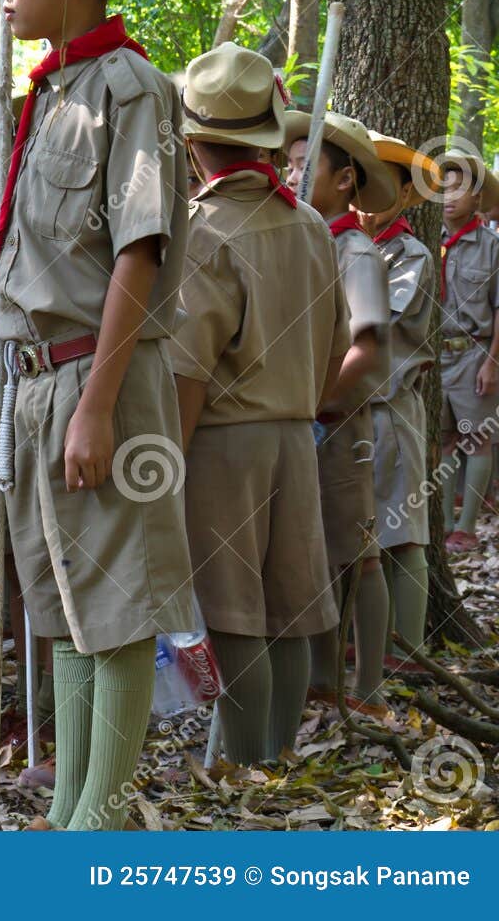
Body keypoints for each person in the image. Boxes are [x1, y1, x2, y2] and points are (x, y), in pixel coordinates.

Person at [0, 0, 196, 830]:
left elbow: (139, 248)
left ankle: (102, 813)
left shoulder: (130, 89)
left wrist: (97, 401)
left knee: (116, 599)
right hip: (30, 385)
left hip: (96, 375)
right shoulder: (41, 97)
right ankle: (69, 807)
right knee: (58, 600)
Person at [169, 44, 346, 764]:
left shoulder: (204, 231)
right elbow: (335, 350)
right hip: (295, 436)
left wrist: (167, 465)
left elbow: (187, 367)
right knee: (291, 606)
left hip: (221, 444)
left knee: (234, 610)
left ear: (193, 142)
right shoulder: (308, 225)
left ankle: (241, 771)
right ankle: (273, 759)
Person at [283, 110, 397, 721]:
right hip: (304, 419)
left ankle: (371, 689)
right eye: (289, 164)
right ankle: (324, 680)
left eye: (306, 166)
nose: (292, 175)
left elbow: (368, 343)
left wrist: (317, 398)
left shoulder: (353, 249)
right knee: (317, 551)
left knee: (359, 549)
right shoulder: (303, 241)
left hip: (338, 421)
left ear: (346, 180)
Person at [359, 135, 440, 668]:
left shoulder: (407, 255)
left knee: (402, 531)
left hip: (388, 407)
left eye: (385, 182)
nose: (369, 193)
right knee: (363, 532)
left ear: (407, 193)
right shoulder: (341, 245)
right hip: (346, 415)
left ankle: (409, 656)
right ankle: (370, 653)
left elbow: (375, 328)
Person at [434, 147, 499, 556]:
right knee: (440, 439)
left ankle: (466, 525)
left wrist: (493, 361)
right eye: (443, 187)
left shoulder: (491, 246)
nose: (449, 195)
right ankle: (440, 521)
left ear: (478, 197)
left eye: (459, 187)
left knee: (475, 439)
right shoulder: (428, 237)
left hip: (474, 352)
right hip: (433, 353)